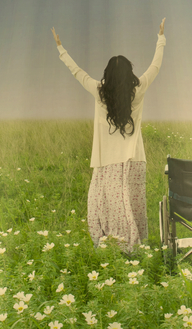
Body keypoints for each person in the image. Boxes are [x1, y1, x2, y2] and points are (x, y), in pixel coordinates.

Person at [51, 18, 167, 252]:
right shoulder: (139, 89)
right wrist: (161, 38)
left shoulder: (98, 91)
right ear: (129, 74)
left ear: (108, 75)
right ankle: (133, 247)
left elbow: (77, 72)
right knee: (131, 206)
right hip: (134, 160)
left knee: (105, 205)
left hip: (107, 162)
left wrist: (61, 48)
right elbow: (155, 67)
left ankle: (112, 245)